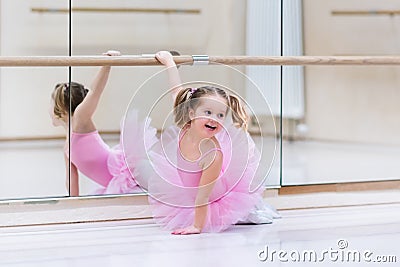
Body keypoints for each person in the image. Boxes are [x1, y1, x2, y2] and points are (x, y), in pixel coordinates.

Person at [127, 51, 279, 235]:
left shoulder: (213, 155)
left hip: (213, 196)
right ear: (191, 113)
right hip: (193, 187)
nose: (214, 119)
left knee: (242, 213)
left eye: (220, 115)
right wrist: (169, 62)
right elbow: (176, 90)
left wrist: (196, 226)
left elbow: (203, 196)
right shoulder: (185, 124)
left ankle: (254, 207)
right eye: (207, 112)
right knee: (144, 168)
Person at [49, 50, 147, 196]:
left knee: (164, 190)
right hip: (115, 183)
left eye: (50, 104)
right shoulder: (66, 148)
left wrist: (107, 64)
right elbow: (71, 179)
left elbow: (95, 91)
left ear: (61, 109)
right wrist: (73, 206)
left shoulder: (79, 121)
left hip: (124, 171)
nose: (48, 110)